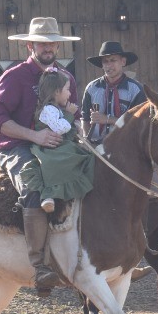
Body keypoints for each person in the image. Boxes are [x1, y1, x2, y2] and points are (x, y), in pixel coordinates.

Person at [0, 16, 79, 294]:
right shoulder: (14, 76)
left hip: (57, 145)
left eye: (52, 43)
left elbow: (73, 115)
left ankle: (104, 255)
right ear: (30, 45)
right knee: (33, 186)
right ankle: (40, 267)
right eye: (42, 43)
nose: (48, 48)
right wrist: (35, 136)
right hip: (17, 147)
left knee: (94, 176)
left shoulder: (66, 78)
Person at [29, 70, 95, 213]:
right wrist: (70, 114)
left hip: (60, 145)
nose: (70, 94)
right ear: (57, 92)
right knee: (65, 161)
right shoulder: (48, 110)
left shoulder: (56, 109)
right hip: (51, 149)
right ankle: (48, 196)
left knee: (84, 155)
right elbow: (60, 128)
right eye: (67, 89)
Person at [80, 40, 145, 145]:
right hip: (96, 146)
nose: (109, 65)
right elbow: (85, 119)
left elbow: (139, 123)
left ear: (123, 62)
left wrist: (108, 119)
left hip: (125, 146)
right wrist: (87, 140)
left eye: (113, 60)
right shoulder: (91, 88)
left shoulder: (136, 90)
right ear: (101, 64)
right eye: (105, 61)